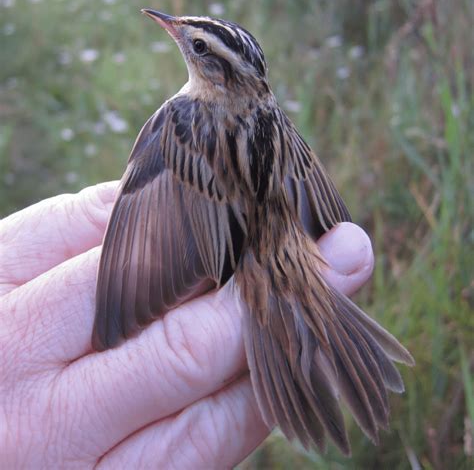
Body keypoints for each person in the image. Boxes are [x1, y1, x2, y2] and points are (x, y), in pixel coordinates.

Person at [0, 181, 374, 468]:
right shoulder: (274, 119)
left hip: (259, 266)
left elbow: (152, 214)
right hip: (281, 253)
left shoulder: (176, 124)